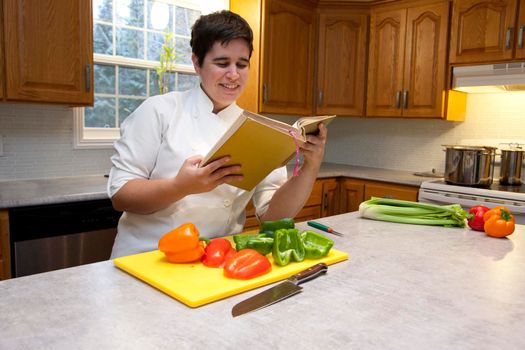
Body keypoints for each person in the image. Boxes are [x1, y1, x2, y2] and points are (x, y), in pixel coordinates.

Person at [107, 10, 327, 258]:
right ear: (196, 63)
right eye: (222, 63)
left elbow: (272, 215)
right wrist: (180, 187)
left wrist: (310, 166)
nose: (233, 74)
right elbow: (121, 195)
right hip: (146, 257)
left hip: (215, 260)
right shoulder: (159, 111)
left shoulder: (259, 131)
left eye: (242, 64)